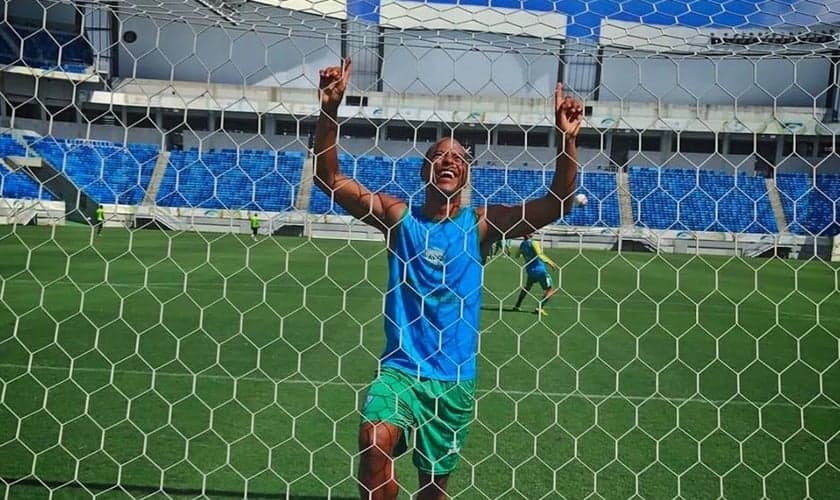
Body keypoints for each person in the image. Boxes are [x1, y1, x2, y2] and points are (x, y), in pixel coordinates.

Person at [314, 58, 581, 500]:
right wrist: (329, 111)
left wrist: (568, 142)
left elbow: (557, 205)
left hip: (452, 380)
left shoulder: (480, 226)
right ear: (425, 170)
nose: (448, 160)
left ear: (467, 173)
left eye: (459, 157)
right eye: (439, 155)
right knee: (373, 438)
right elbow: (330, 179)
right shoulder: (399, 219)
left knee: (434, 491)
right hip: (400, 371)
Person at [512, 233, 559, 316]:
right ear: (529, 233)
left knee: (527, 288)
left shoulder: (522, 244)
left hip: (530, 271)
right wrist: (551, 263)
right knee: (550, 289)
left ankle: (517, 305)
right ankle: (539, 308)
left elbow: (517, 255)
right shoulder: (534, 243)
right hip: (540, 271)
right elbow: (540, 255)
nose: (534, 231)